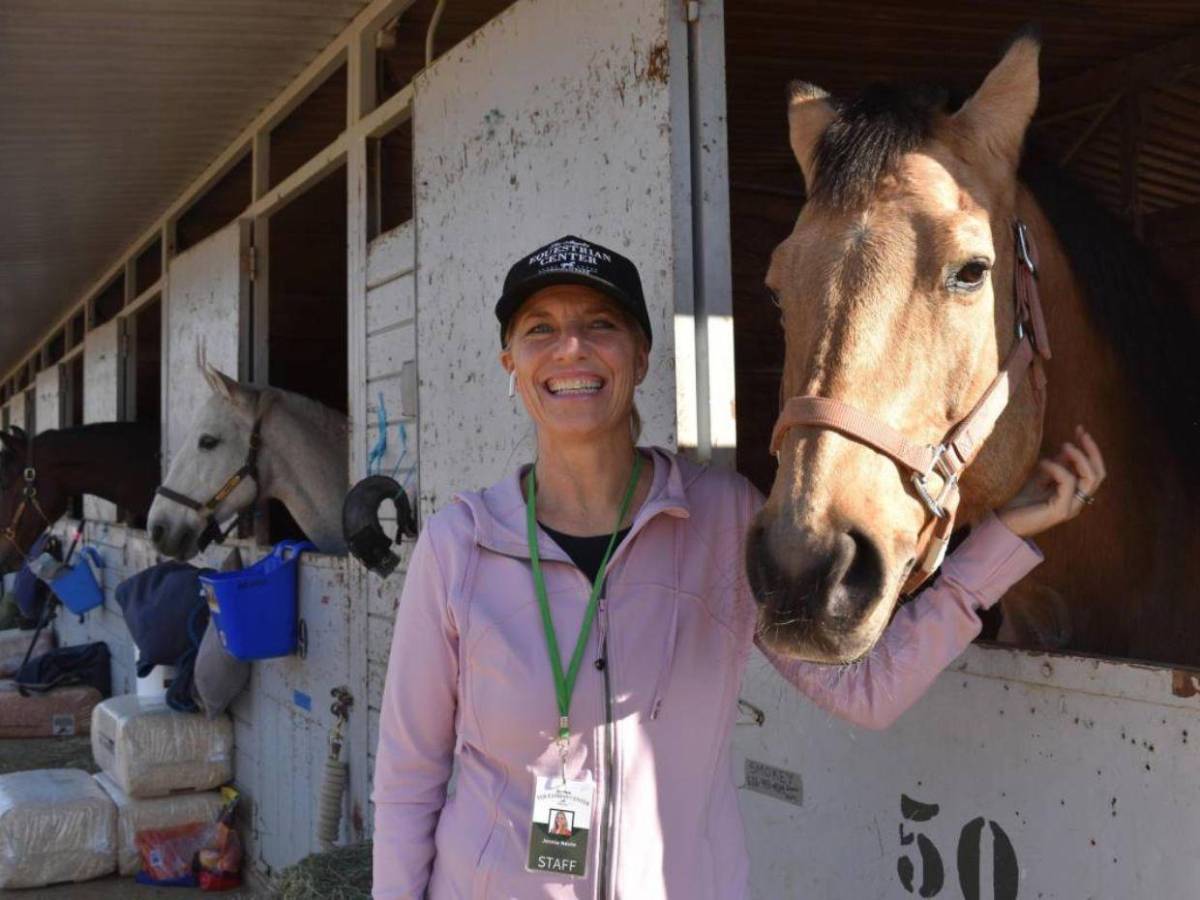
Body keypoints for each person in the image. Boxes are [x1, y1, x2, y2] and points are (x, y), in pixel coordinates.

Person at [372, 235, 1106, 899]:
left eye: (600, 325)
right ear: (512, 365)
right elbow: (410, 780)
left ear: (641, 356)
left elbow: (867, 689)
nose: (571, 350)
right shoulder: (461, 544)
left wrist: (1003, 538)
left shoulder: (721, 519)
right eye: (541, 330)